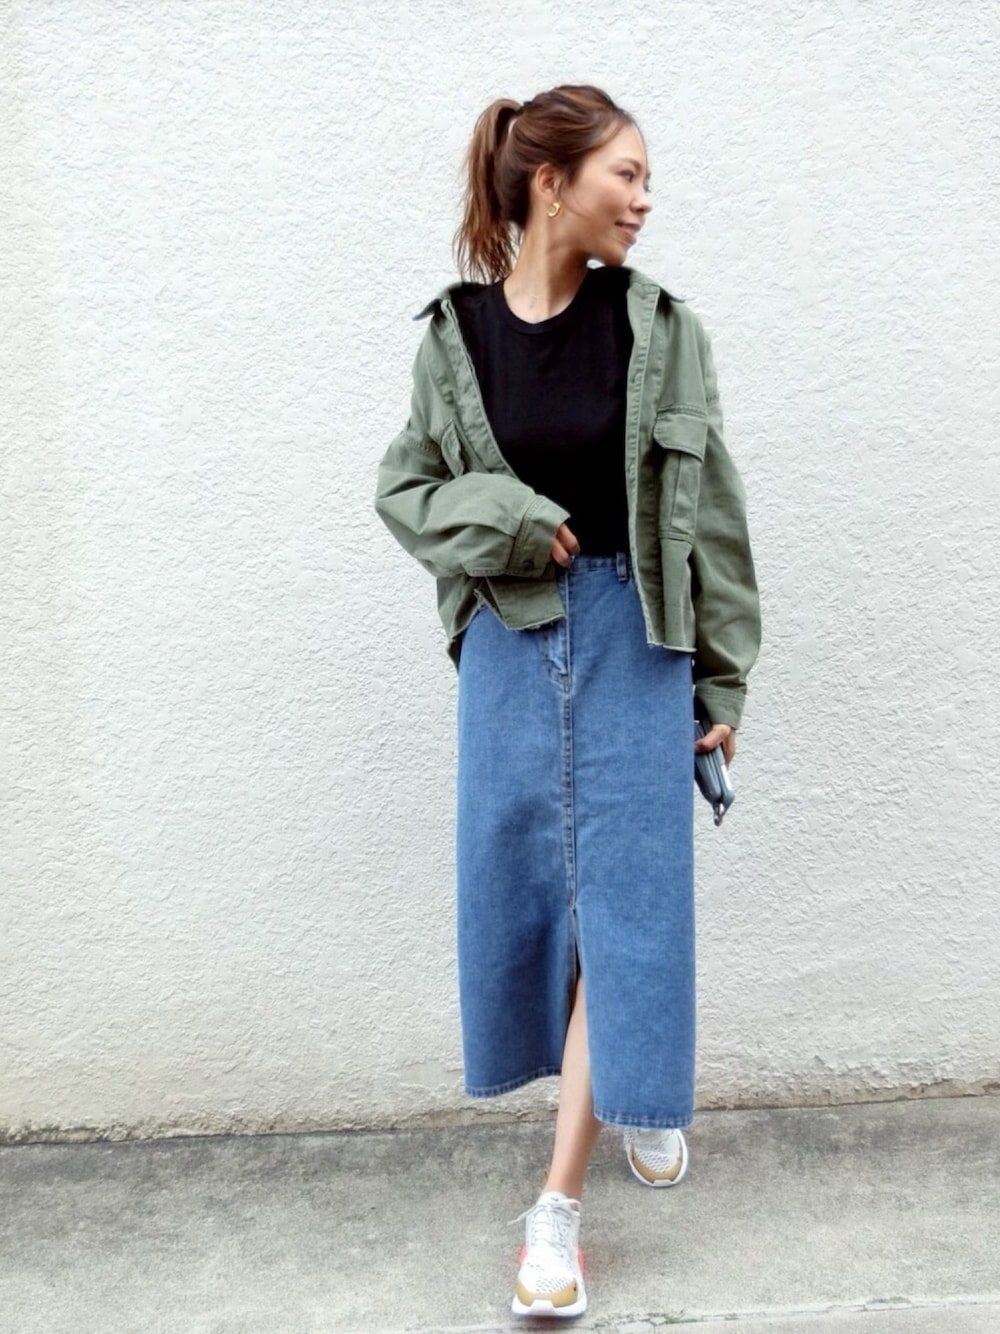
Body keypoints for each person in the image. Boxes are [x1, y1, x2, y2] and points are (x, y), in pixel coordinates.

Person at [374, 83, 760, 1320]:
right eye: (625, 174)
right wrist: (508, 517)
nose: (644, 199)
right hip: (510, 642)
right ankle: (632, 1080)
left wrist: (720, 676)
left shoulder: (660, 330)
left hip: (637, 642)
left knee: (626, 912)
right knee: (536, 902)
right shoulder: (457, 338)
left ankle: (557, 1204)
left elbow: (712, 513)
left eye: (646, 179)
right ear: (552, 181)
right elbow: (406, 492)